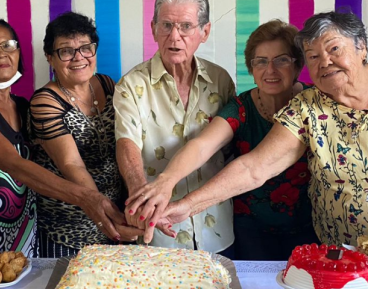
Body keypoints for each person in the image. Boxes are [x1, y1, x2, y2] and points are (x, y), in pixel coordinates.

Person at [151, 11, 368, 247]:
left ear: (362, 48)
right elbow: (254, 168)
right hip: (339, 252)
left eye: (335, 49)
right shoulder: (306, 107)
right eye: (314, 56)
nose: (325, 62)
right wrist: (186, 205)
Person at [0, 18, 141, 255]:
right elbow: (14, 164)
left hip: (20, 234)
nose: (0, 54)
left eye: (8, 45)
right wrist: (89, 199)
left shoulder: (20, 105)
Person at [126, 20, 316, 260]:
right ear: (251, 67)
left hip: (309, 227)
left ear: (298, 64)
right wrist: (166, 181)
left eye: (281, 60)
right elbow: (202, 145)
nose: (271, 70)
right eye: (261, 61)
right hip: (250, 229)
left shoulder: (314, 104)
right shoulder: (241, 108)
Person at [114, 0, 235, 254]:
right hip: (158, 231)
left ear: (204, 32)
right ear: (153, 28)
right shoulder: (131, 85)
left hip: (215, 224)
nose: (174, 36)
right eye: (166, 25)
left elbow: (228, 145)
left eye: (186, 26)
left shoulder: (221, 80)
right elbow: (126, 143)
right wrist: (139, 198)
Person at [29, 12, 127, 257]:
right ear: (50, 58)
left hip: (116, 218)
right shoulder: (44, 102)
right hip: (69, 228)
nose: (78, 57)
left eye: (86, 48)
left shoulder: (107, 84)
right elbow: (72, 165)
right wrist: (108, 218)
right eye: (66, 51)